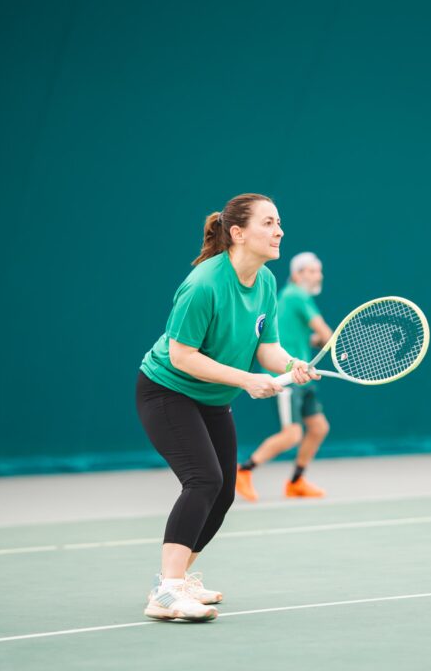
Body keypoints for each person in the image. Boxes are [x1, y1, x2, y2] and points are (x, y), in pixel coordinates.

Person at [136, 193, 317, 622]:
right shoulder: (204, 285)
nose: (279, 231)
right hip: (168, 391)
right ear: (237, 233)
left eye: (279, 222)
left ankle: (178, 579)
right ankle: (166, 593)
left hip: (213, 399)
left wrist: (291, 365)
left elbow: (267, 348)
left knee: (223, 493)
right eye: (268, 223)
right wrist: (246, 379)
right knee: (203, 480)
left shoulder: (266, 282)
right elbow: (181, 356)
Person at [236, 252, 333, 501]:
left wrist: (317, 341)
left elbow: (305, 337)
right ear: (297, 275)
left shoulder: (292, 297)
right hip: (286, 376)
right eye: (312, 271)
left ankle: (296, 482)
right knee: (292, 434)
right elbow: (325, 333)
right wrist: (331, 342)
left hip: (303, 374)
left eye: (319, 271)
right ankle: (243, 471)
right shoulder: (296, 295)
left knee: (318, 427)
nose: (318, 276)